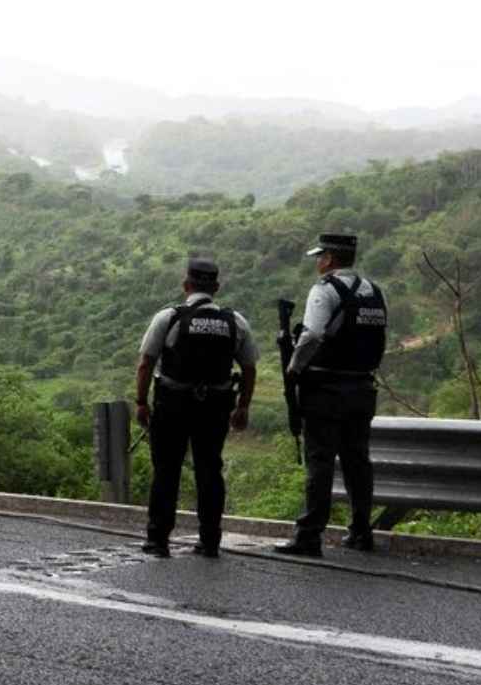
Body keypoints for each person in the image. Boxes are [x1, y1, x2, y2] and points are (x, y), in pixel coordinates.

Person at [134, 255, 259, 558]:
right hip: (215, 407)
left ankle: (158, 540)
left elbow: (146, 363)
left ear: (185, 284)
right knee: (210, 470)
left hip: (172, 405)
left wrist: (141, 402)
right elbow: (249, 368)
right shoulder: (235, 321)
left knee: (166, 471)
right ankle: (210, 540)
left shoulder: (169, 317)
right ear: (216, 287)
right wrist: (242, 407)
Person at [276, 233, 388, 557]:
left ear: (329, 259)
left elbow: (312, 335)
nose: (318, 262)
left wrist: (293, 368)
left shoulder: (324, 291)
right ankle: (361, 531)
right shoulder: (373, 291)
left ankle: (309, 535)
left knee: (320, 461)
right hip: (362, 389)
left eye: (320, 256)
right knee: (357, 461)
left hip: (326, 391)